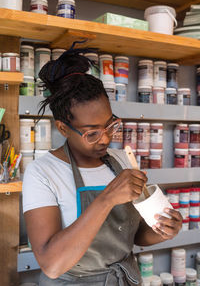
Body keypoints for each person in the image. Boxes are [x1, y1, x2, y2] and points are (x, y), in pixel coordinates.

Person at [22, 45, 182, 286]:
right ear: (63, 128)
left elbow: (135, 234)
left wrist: (163, 230)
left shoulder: (119, 161)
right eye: (92, 133)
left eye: (110, 125)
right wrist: (106, 199)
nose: (106, 138)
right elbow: (51, 264)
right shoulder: (42, 172)